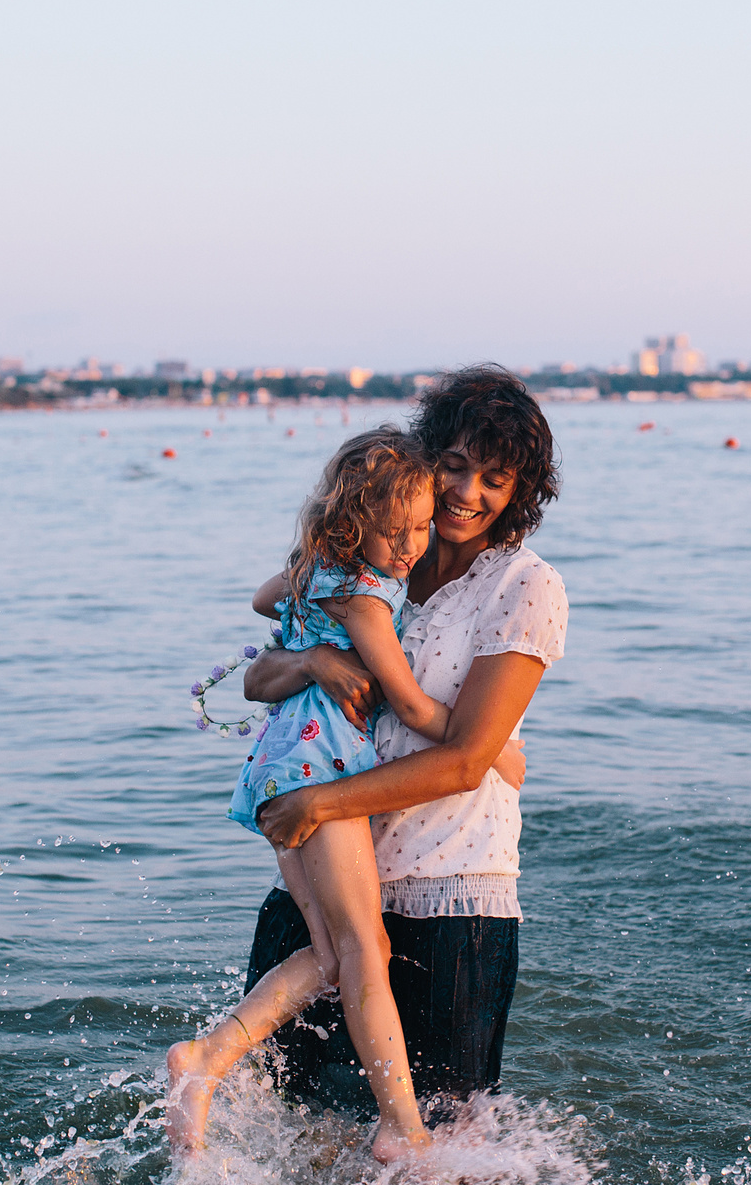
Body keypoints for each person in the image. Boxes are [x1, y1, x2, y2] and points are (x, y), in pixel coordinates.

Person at [205, 366, 567, 1128]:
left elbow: (466, 758)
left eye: (494, 479)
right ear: (425, 458)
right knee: (277, 1134)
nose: (467, 492)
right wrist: (311, 663)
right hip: (336, 875)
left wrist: (316, 800)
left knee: (439, 1170)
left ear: (520, 494)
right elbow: (258, 677)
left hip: (447, 902)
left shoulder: (525, 587)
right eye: (456, 465)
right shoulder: (377, 549)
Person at [165, 427, 459, 1162]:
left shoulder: (318, 569)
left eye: (422, 527)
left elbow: (265, 597)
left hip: (275, 765)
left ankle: (206, 1059)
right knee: (367, 945)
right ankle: (403, 1126)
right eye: (394, 532)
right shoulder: (363, 597)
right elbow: (413, 706)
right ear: (354, 523)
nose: (411, 546)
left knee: (330, 955)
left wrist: (310, 616)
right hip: (318, 766)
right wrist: (489, 746)